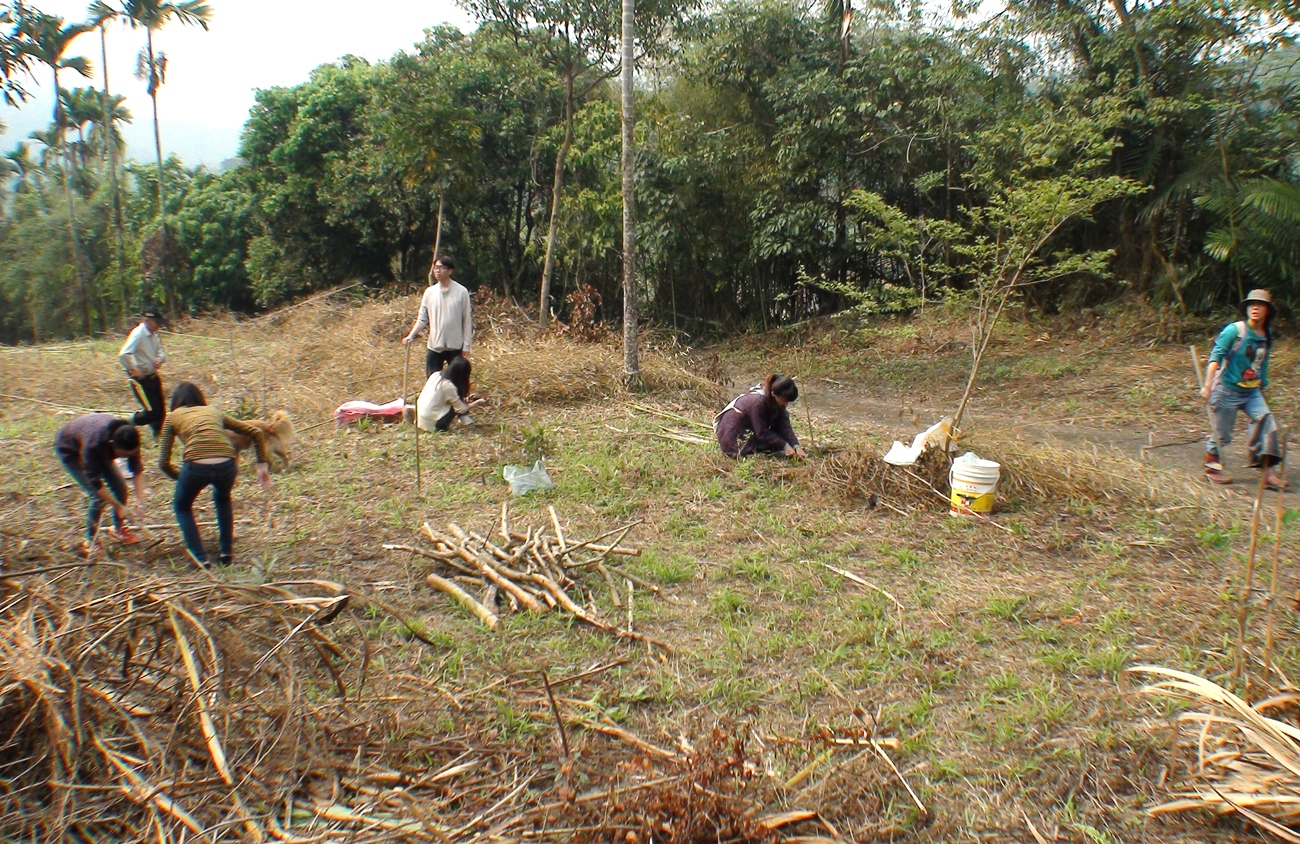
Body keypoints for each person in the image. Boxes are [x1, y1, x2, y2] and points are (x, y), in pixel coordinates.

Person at [158, 382, 272, 568]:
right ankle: (226, 551)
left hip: (195, 466)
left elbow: (163, 462)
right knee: (223, 499)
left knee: (182, 506)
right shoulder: (213, 411)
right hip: (226, 464)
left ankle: (199, 557)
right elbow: (255, 432)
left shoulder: (172, 417)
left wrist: (181, 479)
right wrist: (262, 466)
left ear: (175, 402)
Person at [1202, 288, 1285, 489]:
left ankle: (1268, 473)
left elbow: (1262, 363)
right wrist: (1207, 385)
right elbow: (1216, 356)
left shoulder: (1266, 334)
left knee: (1267, 423)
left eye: (1260, 305)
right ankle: (1212, 469)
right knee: (1222, 434)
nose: (1255, 308)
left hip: (1251, 391)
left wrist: (1263, 385)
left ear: (1267, 311)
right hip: (1227, 390)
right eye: (1251, 304)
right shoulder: (1235, 330)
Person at [54, 413, 146, 556]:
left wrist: (140, 502)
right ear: (112, 445)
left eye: (129, 455)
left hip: (97, 444)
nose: (125, 458)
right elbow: (96, 484)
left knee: (121, 488)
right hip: (70, 448)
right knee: (98, 499)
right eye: (122, 455)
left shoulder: (129, 437)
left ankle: (118, 529)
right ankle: (91, 540)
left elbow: (137, 470)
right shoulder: (93, 446)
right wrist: (119, 506)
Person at [403, 255, 473, 378]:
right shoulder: (429, 292)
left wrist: (466, 345)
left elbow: (466, 320)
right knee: (432, 381)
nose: (438, 271)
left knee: (456, 382)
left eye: (441, 268)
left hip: (455, 346)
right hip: (435, 346)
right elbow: (422, 319)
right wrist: (411, 335)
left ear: (450, 270)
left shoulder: (461, 292)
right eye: (435, 268)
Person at [715, 375, 807, 458]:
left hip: (751, 431)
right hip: (734, 440)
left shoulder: (777, 400)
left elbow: (784, 424)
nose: (785, 403)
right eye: (784, 400)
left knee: (779, 438)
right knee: (776, 442)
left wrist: (795, 446)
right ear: (773, 394)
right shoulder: (757, 402)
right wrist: (785, 446)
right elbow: (762, 432)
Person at [119, 306, 169, 438]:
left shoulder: (154, 336)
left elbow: (162, 352)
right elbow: (124, 354)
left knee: (161, 411)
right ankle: (125, 422)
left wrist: (160, 359)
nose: (158, 326)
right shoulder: (138, 334)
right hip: (141, 380)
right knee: (151, 411)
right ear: (148, 320)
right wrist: (133, 370)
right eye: (156, 322)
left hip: (153, 376)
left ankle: (158, 436)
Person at [417, 355, 477, 431]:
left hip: (420, 416)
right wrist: (477, 403)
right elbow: (461, 408)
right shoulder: (448, 386)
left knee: (453, 400)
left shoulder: (436, 374)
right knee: (455, 405)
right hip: (431, 424)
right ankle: (465, 421)